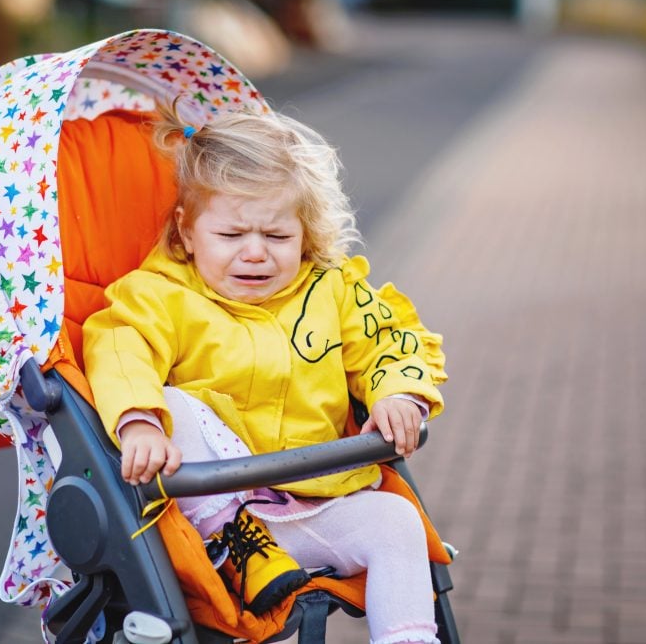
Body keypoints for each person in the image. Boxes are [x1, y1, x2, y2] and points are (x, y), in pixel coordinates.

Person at [82, 100, 447, 644]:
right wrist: (139, 421)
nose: (255, 254)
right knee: (171, 404)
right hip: (218, 522)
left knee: (397, 522)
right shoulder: (157, 297)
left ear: (305, 232)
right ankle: (238, 546)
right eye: (231, 236)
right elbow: (119, 349)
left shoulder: (331, 289)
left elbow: (389, 339)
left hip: (321, 501)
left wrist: (398, 393)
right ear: (186, 231)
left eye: (277, 237)